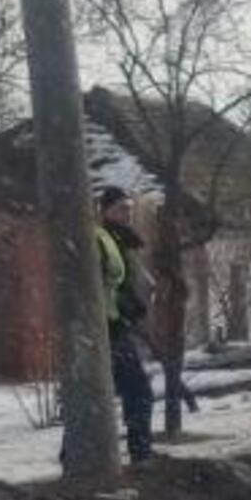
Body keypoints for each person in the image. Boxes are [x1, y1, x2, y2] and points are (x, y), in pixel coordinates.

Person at [96, 186, 155, 463]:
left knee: (101, 393)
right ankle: (140, 452)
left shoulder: (123, 240)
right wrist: (125, 305)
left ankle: (75, 454)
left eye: (129, 209)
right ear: (105, 210)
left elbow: (127, 280)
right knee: (138, 390)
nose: (127, 215)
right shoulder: (102, 239)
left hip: (118, 325)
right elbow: (102, 285)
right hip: (107, 328)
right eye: (121, 209)